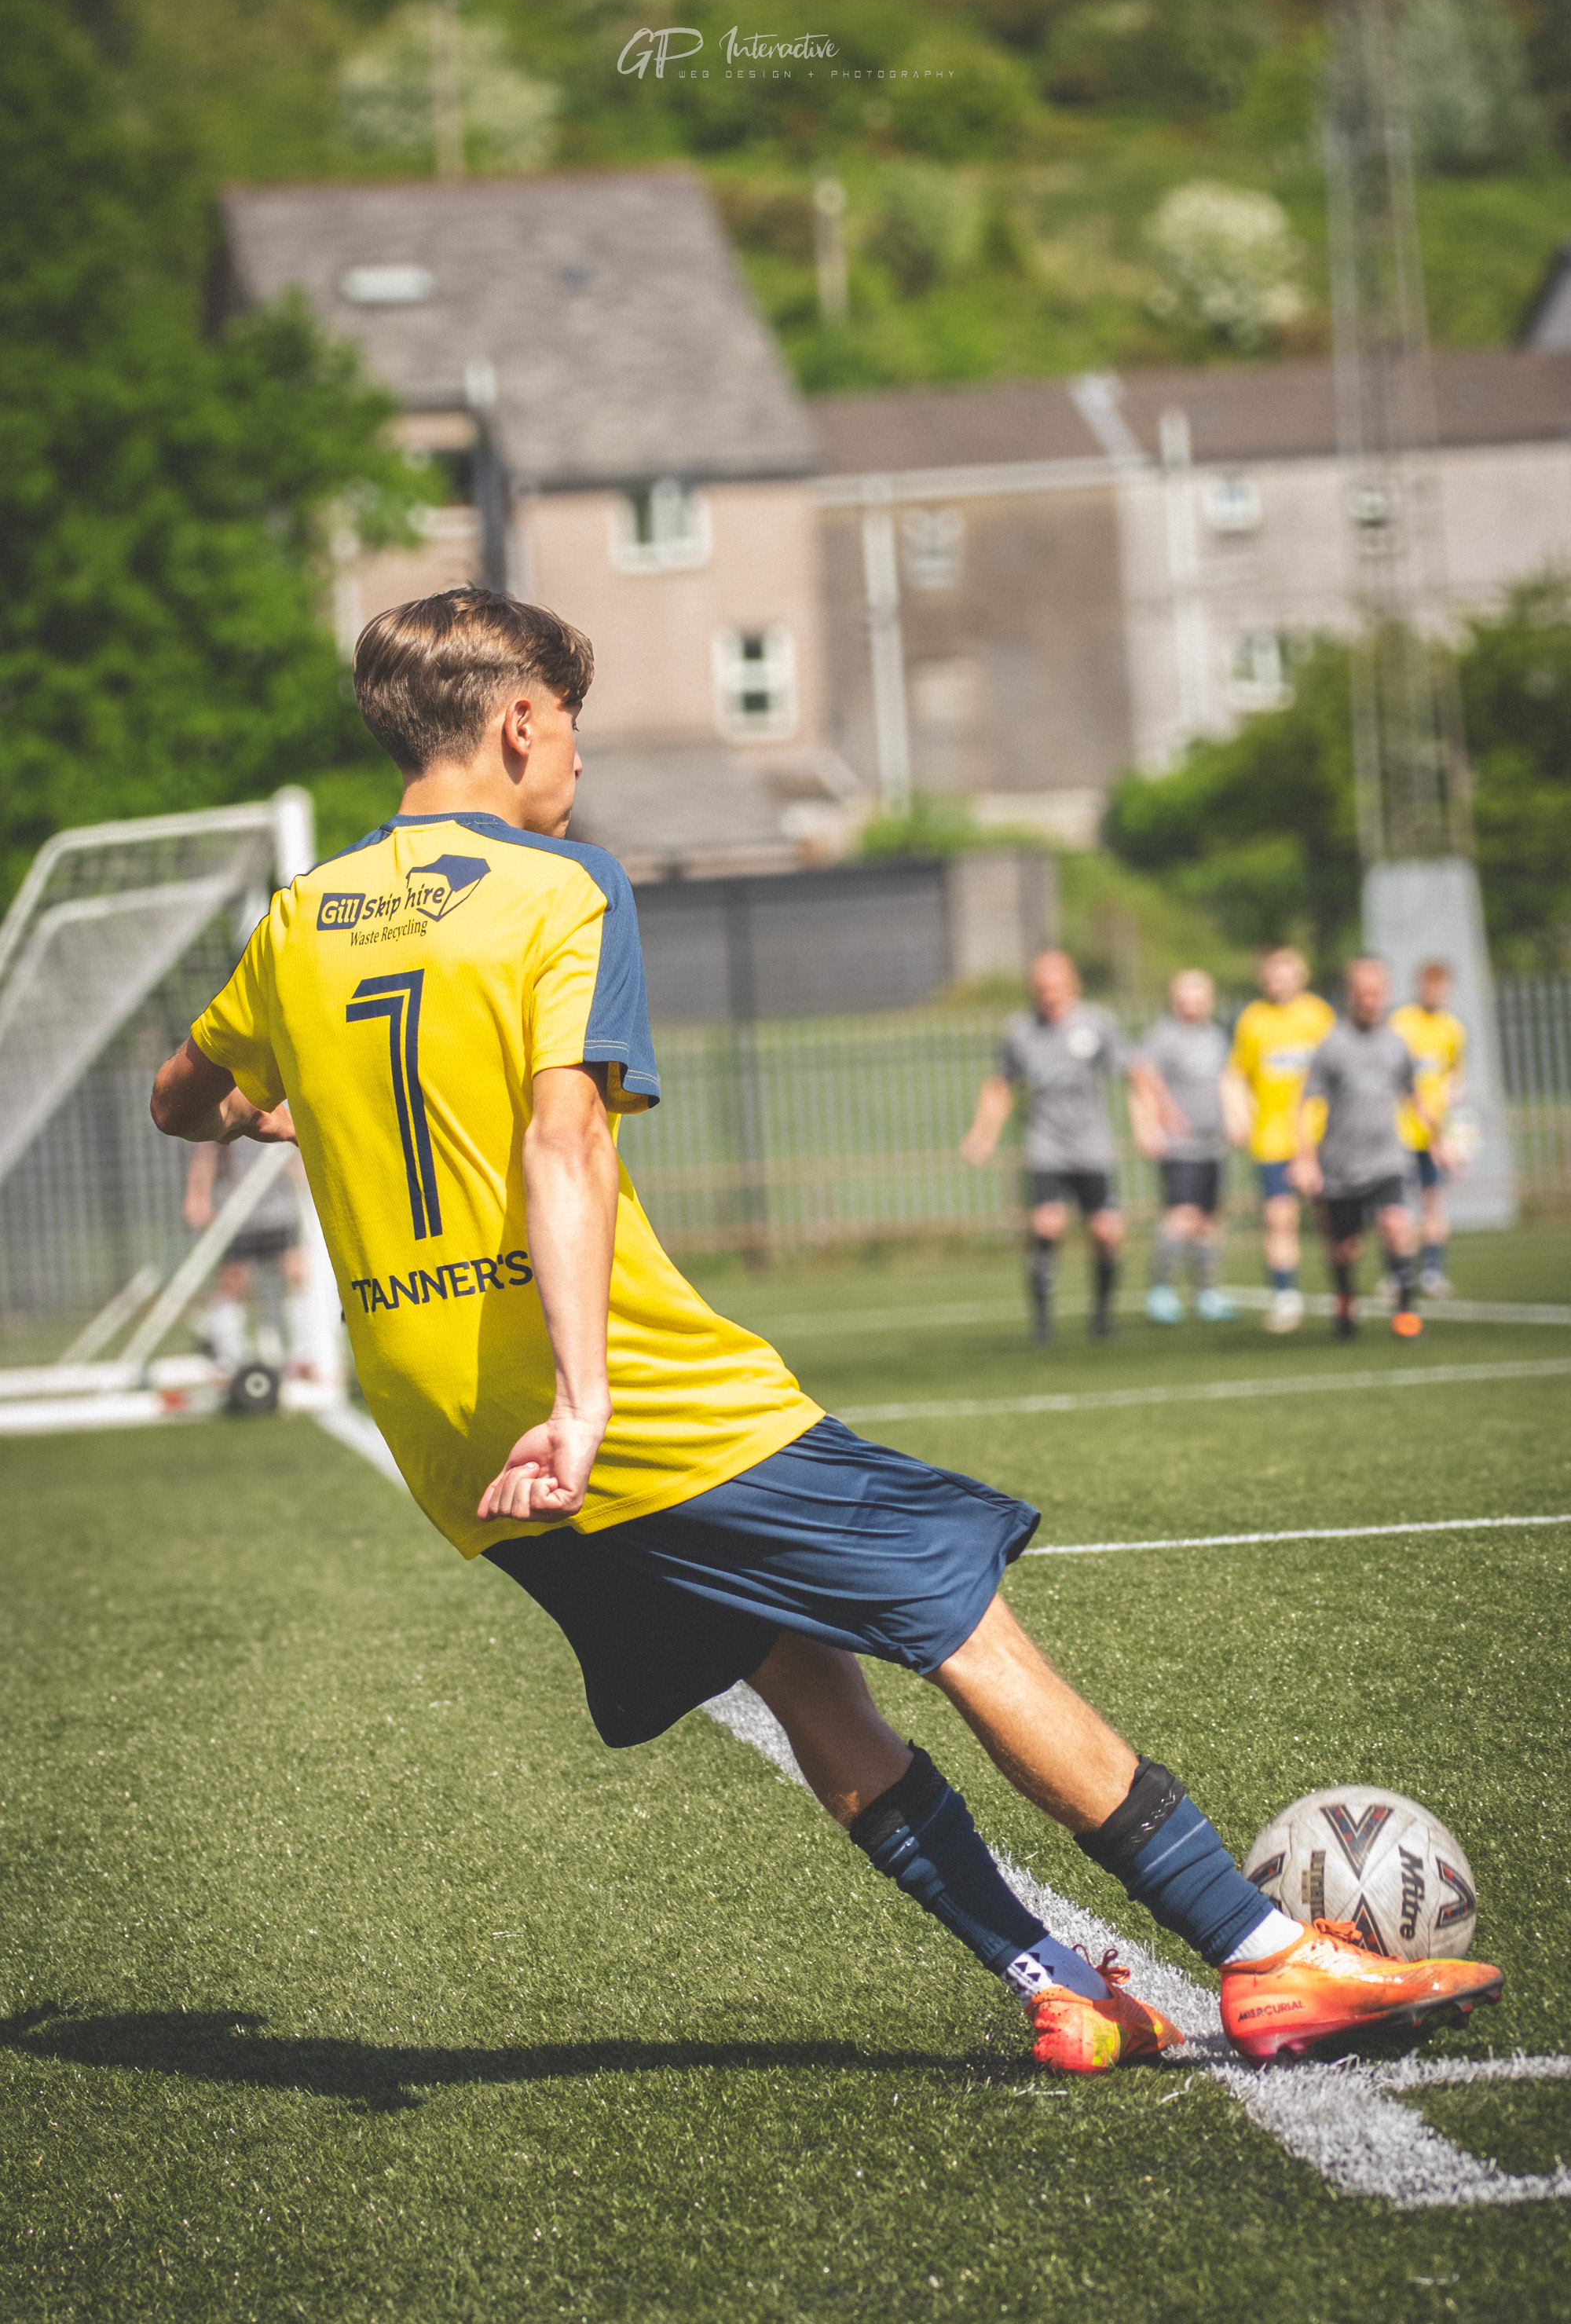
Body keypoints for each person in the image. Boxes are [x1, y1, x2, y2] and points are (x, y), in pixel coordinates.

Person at [149, 587, 1499, 2075]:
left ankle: (1058, 1983)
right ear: (519, 721)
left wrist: (298, 1110)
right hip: (632, 1403)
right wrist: (589, 1398)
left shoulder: (299, 921)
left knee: (805, 1679)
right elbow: (564, 1148)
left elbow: (181, 1101)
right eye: (574, 728)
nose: (579, 764)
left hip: (446, 1435)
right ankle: (1264, 1957)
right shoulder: (558, 891)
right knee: (963, 1624)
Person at [961, 953, 1161, 1345]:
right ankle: (1042, 1324)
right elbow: (1001, 1086)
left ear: (1072, 984)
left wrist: (1147, 1124)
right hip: (1046, 1145)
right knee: (1046, 1225)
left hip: (1091, 1146)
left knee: (1105, 1233)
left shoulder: (1096, 1024)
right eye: (1041, 986)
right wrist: (982, 1134)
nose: (1048, 993)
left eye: (1055, 985)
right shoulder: (1020, 1032)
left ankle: (1102, 1317)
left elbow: (1135, 1072)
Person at [1293, 957, 1437, 1341]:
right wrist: (1305, 1158)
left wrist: (1439, 1140)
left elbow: (1414, 1093)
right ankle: (1345, 1301)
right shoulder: (1331, 1045)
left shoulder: (1396, 1043)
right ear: (1351, 994)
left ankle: (1405, 1312)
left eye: (1377, 993)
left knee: (1396, 1224)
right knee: (1344, 1248)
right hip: (1340, 1163)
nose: (1370, 1001)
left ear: (1387, 994)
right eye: (1363, 993)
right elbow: (1307, 1103)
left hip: (1388, 1157)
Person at [1222, 947, 1334, 1335]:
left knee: (1331, 1218)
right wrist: (1237, 1114)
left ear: (1300, 977)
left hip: (1320, 1135)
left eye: (1285, 975)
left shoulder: (1318, 1015)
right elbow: (1235, 1075)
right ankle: (1286, 1296)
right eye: (1271, 977)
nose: (1277, 983)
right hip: (1272, 1137)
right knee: (1278, 1217)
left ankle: (1343, 1292)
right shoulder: (1253, 1020)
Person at [1137, 968, 1237, 1326]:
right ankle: (1161, 1290)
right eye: (1185, 993)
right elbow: (1142, 1081)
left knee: (1209, 1222)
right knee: (1182, 1217)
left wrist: (1235, 1119)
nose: (1191, 1000)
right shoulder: (1163, 1037)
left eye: (1198, 993)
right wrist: (1148, 1127)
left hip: (1210, 1143)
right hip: (1179, 1143)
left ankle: (1207, 1292)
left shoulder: (1215, 1037)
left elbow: (1226, 1082)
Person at [184, 1134, 313, 1374]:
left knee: (296, 1272)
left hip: (278, 1208)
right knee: (232, 1280)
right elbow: (205, 1152)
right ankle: (231, 1360)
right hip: (236, 1208)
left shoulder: (278, 1101)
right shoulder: (221, 1103)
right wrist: (198, 1196)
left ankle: (304, 1354)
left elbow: (295, 1141)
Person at [1390, 961, 1467, 1299]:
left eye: (1442, 987)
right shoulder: (1401, 1023)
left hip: (1436, 1135)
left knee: (1434, 1200)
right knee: (1396, 1207)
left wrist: (1449, 1116)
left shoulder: (1452, 1029)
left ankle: (1433, 1271)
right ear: (1419, 986)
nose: (1436, 993)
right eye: (1429, 986)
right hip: (1401, 1131)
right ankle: (1397, 1274)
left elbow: (1455, 1075)